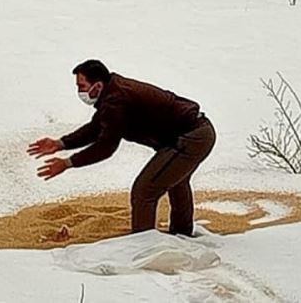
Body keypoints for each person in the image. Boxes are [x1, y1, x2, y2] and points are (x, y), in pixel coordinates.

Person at [27, 59, 216, 237]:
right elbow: (97, 127)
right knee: (174, 180)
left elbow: (106, 146)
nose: (79, 92)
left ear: (98, 85)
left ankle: (143, 247)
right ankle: (181, 235)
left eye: (81, 87)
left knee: (145, 190)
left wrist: (68, 163)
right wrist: (60, 143)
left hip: (192, 136)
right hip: (196, 132)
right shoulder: (113, 94)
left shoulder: (116, 100)